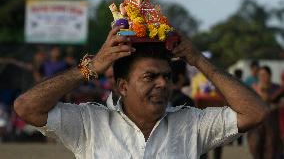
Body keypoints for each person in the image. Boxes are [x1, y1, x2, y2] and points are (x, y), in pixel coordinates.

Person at [14, 27, 268, 158]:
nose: (162, 84)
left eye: (166, 77)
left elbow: (255, 112)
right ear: (122, 86)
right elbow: (26, 107)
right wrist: (89, 68)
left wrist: (198, 59)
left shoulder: (191, 124)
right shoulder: (89, 123)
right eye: (150, 76)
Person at [247, 66, 282, 159]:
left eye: (264, 74)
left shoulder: (277, 88)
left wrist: (272, 106)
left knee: (270, 148)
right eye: (260, 75)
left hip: (272, 123)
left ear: (270, 75)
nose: (262, 77)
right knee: (255, 147)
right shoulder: (254, 89)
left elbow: (281, 104)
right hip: (257, 124)